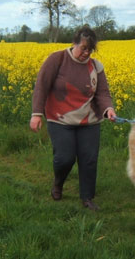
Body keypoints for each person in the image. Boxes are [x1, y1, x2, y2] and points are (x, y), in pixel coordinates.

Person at [30, 27, 116, 211]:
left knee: (89, 159)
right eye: (83, 48)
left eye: (90, 50)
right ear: (74, 43)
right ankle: (58, 183)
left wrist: (108, 109)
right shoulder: (57, 60)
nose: (86, 53)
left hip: (90, 121)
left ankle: (87, 197)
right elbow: (41, 87)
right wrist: (36, 113)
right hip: (59, 119)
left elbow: (102, 93)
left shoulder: (96, 66)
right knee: (64, 158)